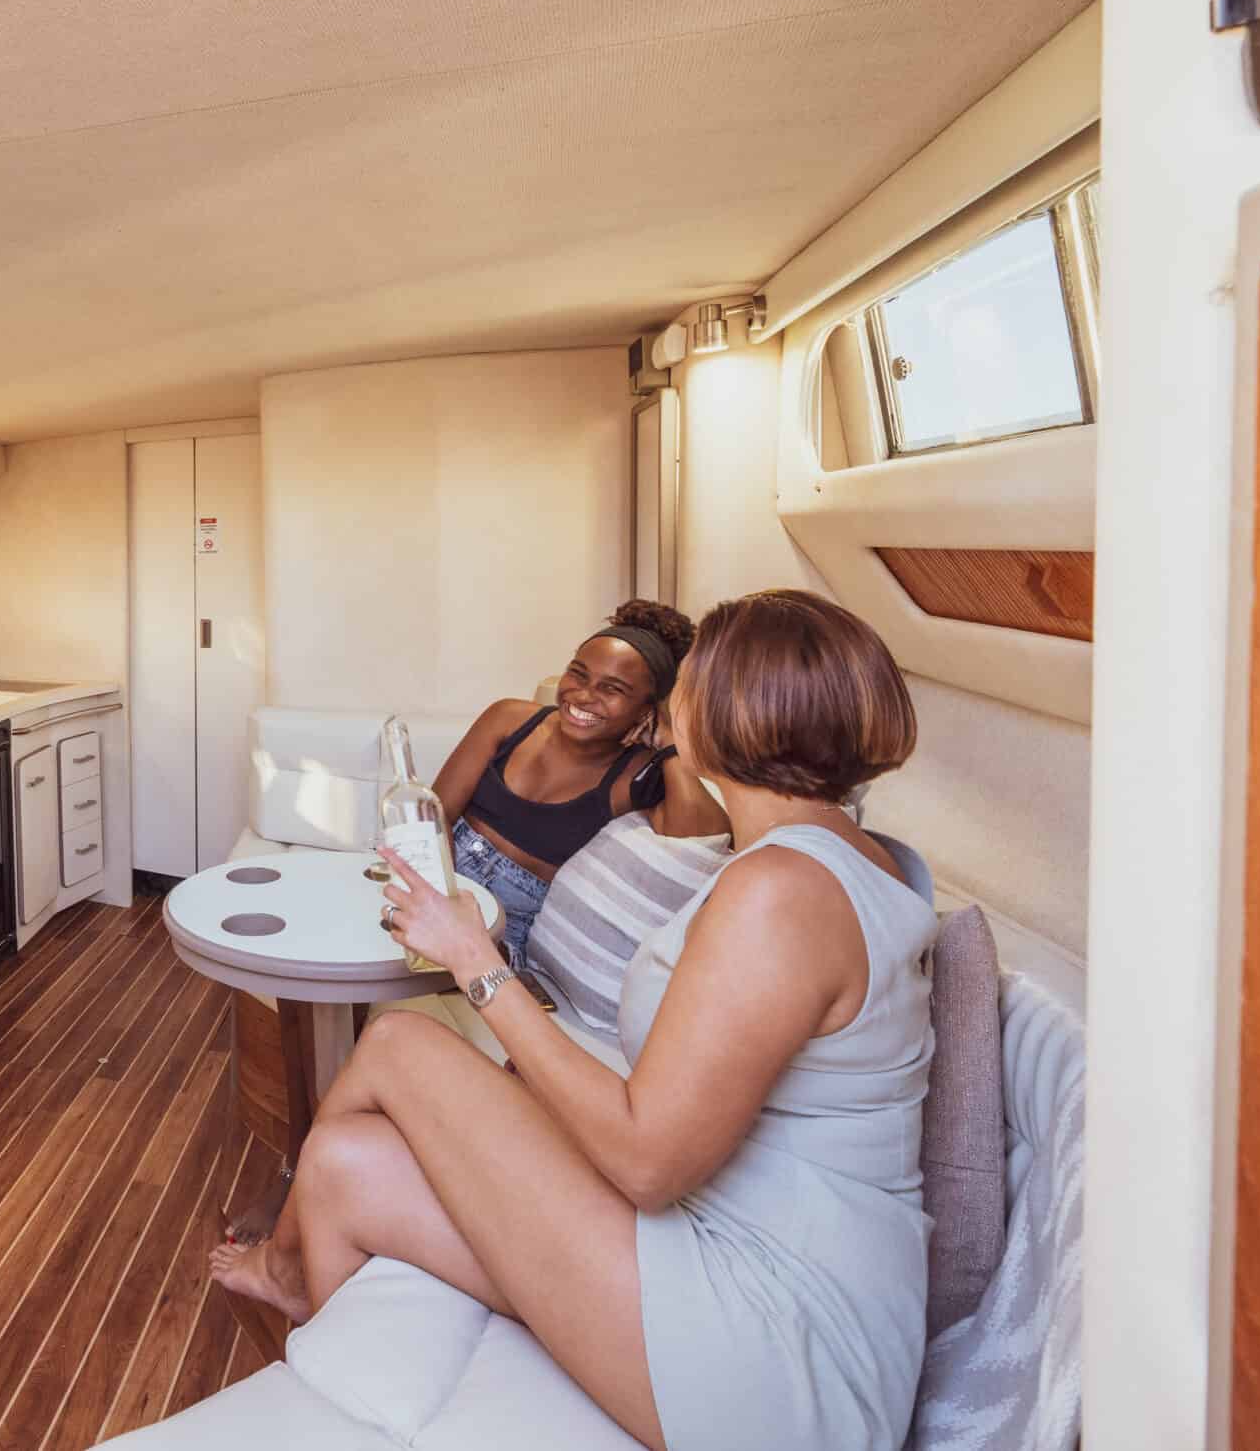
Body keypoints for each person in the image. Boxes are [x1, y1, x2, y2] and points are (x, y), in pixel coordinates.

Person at [213, 590, 933, 1451]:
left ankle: (294, 1278)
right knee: (340, 1164)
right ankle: (324, 1343)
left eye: (687, 683)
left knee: (403, 1037)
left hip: (773, 1341)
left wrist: (476, 962)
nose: (673, 705)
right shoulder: (848, 858)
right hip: (725, 1251)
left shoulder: (780, 890)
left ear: (732, 710)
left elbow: (644, 1159)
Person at [431, 599, 729, 966]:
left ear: (647, 708)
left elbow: (706, 834)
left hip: (507, 929)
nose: (583, 695)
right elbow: (435, 814)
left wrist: (667, 740)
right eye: (579, 673)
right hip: (441, 879)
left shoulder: (635, 775)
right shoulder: (508, 719)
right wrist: (443, 894)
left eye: (613, 689)